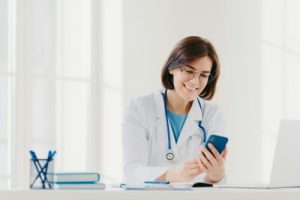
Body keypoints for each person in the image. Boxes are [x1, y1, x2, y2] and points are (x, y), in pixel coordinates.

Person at [122, 36, 228, 184]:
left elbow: (212, 184)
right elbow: (132, 171)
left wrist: (217, 176)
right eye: (189, 71)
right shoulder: (140, 108)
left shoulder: (212, 114)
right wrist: (170, 174)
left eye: (203, 75)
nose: (195, 82)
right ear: (172, 68)